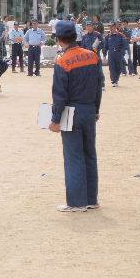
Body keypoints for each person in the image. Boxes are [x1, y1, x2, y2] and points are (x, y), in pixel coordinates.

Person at [50, 20, 103, 212]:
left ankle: (76, 202)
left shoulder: (62, 61)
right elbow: (99, 86)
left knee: (73, 157)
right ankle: (91, 199)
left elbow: (59, 95)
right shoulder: (92, 56)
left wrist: (55, 120)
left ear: (59, 39)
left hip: (71, 112)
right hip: (89, 110)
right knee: (90, 154)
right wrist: (96, 109)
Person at [104, 22, 128, 87]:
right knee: (112, 68)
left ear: (115, 27)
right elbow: (105, 46)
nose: (110, 28)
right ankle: (114, 81)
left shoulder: (120, 35)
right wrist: (104, 55)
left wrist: (122, 53)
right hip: (111, 54)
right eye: (109, 27)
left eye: (112, 26)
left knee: (119, 68)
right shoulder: (107, 36)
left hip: (118, 54)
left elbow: (124, 44)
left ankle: (116, 79)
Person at [82, 21, 105, 89]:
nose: (88, 27)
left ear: (93, 27)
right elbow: (82, 47)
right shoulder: (84, 37)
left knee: (99, 70)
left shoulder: (97, 35)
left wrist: (96, 49)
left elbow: (102, 44)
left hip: (96, 56)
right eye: (87, 26)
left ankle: (101, 85)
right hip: (88, 57)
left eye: (90, 26)